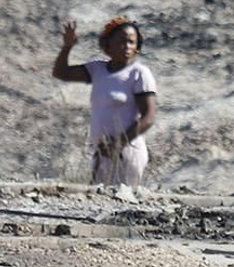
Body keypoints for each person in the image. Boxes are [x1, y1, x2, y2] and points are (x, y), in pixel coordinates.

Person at [52, 15, 157, 186]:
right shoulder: (97, 70)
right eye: (122, 41)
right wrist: (67, 47)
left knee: (122, 200)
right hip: (102, 152)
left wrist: (119, 143)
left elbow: (148, 117)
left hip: (127, 150)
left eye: (132, 42)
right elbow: (61, 72)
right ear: (108, 44)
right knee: (98, 197)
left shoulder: (139, 73)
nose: (127, 47)